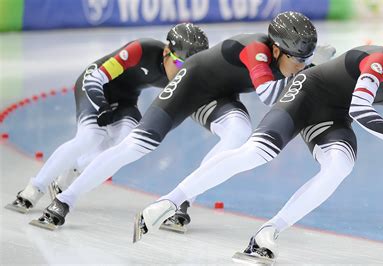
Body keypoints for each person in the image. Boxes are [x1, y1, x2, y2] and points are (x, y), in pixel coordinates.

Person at [135, 18, 383, 263]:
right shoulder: (382, 62)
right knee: (258, 152)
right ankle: (171, 200)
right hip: (305, 93)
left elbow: (349, 107)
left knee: (340, 166)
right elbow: (360, 107)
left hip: (334, 114)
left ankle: (268, 233)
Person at [31, 11, 337, 229]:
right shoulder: (256, 51)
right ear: (275, 49)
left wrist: (309, 69)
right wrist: (312, 71)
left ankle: (181, 199)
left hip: (218, 94)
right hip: (186, 88)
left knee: (239, 130)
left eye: (304, 61)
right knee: (134, 147)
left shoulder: (283, 58)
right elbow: (270, 96)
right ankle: (65, 200)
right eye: (297, 60)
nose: (300, 67)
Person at [5, 23, 209, 215]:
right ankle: (33, 189)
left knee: (125, 145)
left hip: (126, 100)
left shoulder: (184, 73)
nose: (183, 71)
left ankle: (73, 170)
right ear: (166, 52)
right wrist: (101, 105)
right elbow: (96, 78)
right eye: (180, 63)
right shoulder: (141, 50)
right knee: (90, 137)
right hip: (95, 88)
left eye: (189, 67)